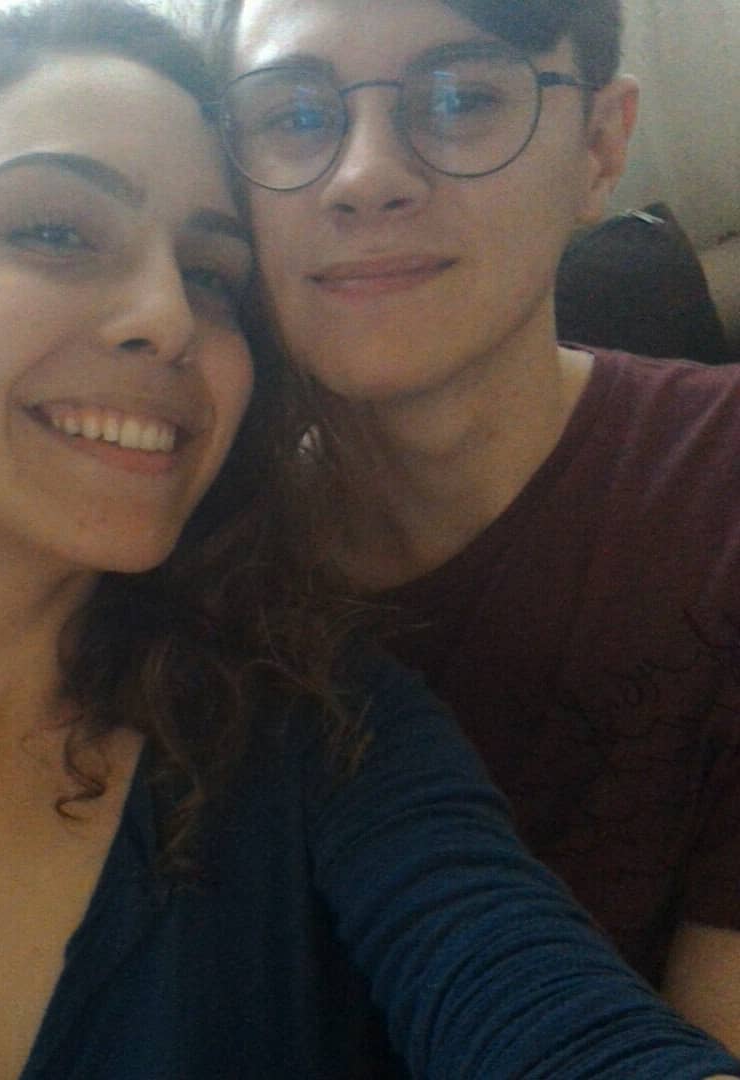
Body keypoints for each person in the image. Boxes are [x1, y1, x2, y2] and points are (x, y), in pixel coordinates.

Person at [0, 3, 739, 1078]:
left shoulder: (326, 734)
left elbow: (531, 994)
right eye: (55, 232)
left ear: (603, 145)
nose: (168, 317)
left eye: (211, 276)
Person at [203, 0, 740, 1051]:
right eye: (294, 117)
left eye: (460, 99)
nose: (366, 176)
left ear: (600, 148)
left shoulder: (719, 500)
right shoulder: (174, 562)